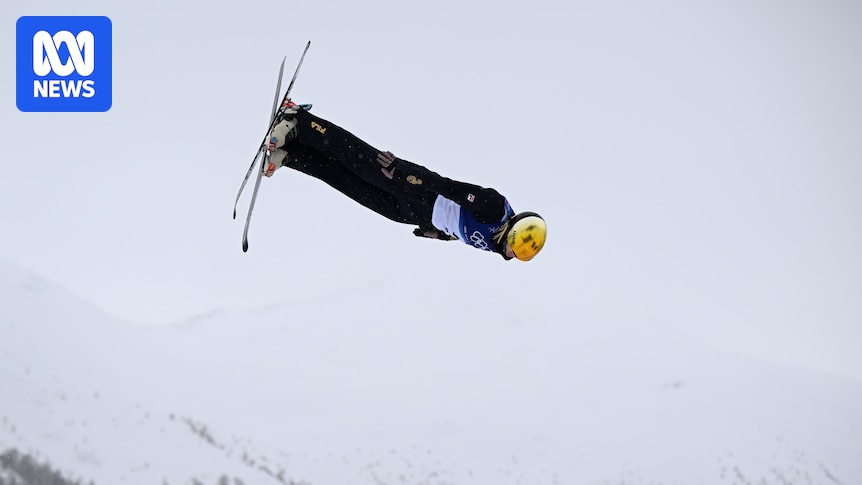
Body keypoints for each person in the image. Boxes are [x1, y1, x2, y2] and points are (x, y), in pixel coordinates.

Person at [264, 101, 547, 261]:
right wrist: (404, 172)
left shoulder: (494, 243)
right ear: (515, 227)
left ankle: (292, 154)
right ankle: (299, 120)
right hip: (420, 193)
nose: (515, 250)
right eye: (519, 242)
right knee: (358, 159)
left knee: (347, 183)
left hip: (413, 214)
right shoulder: (494, 208)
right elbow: (449, 187)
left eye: (522, 252)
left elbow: (463, 230)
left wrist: (440, 234)